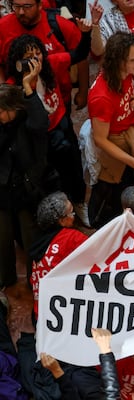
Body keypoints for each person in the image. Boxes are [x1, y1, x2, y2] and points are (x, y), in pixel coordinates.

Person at [6, 18, 95, 223]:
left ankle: (80, 203)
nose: (36, 59)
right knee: (49, 178)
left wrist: (87, 33)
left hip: (61, 123)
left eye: (38, 53)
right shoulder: (14, 87)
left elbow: (79, 54)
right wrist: (27, 84)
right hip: (37, 138)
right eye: (29, 56)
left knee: (72, 165)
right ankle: (58, 217)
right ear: (19, 63)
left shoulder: (51, 63)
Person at [87, 32, 134, 229]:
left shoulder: (125, 74)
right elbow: (101, 139)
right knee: (110, 190)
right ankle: (102, 226)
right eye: (133, 59)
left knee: (127, 183)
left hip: (129, 133)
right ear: (118, 60)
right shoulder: (101, 96)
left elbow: (130, 95)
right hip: (114, 146)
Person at [0, 68, 49, 288]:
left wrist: (28, 87)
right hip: (2, 190)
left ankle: (33, 280)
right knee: (2, 238)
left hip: (26, 190)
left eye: (2, 111)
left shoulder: (28, 120)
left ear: (13, 108)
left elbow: (41, 123)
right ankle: (5, 279)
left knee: (31, 238)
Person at [0, 0, 89, 109]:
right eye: (16, 6)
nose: (21, 11)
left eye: (27, 6)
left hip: (60, 102)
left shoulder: (59, 28)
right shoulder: (3, 27)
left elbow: (80, 55)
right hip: (21, 106)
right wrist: (5, 98)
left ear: (39, 5)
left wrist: (83, 92)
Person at [29, 192, 88, 318]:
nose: (74, 216)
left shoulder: (37, 240)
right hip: (63, 316)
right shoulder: (73, 238)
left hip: (39, 313)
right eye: (71, 213)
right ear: (61, 221)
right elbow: (99, 250)